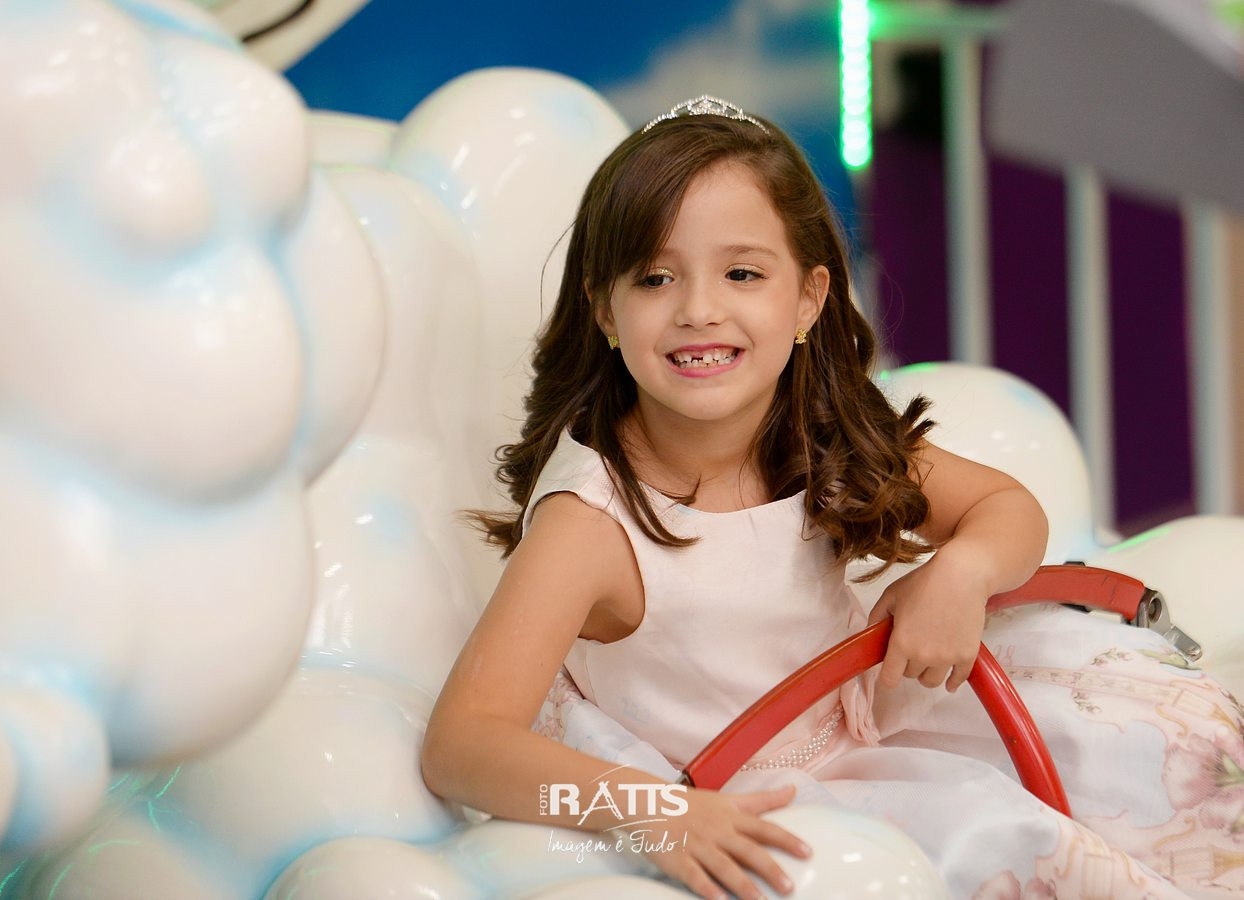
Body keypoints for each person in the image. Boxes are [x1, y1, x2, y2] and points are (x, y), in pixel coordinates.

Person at [422, 97, 1242, 899]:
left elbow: (1006, 507)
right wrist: (659, 815)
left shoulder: (816, 436)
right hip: (736, 797)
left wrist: (962, 571)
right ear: (605, 307)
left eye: (743, 273)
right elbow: (462, 746)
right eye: (656, 278)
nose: (699, 309)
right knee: (1000, 846)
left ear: (809, 299)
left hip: (867, 728)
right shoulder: (591, 521)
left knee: (1157, 748)